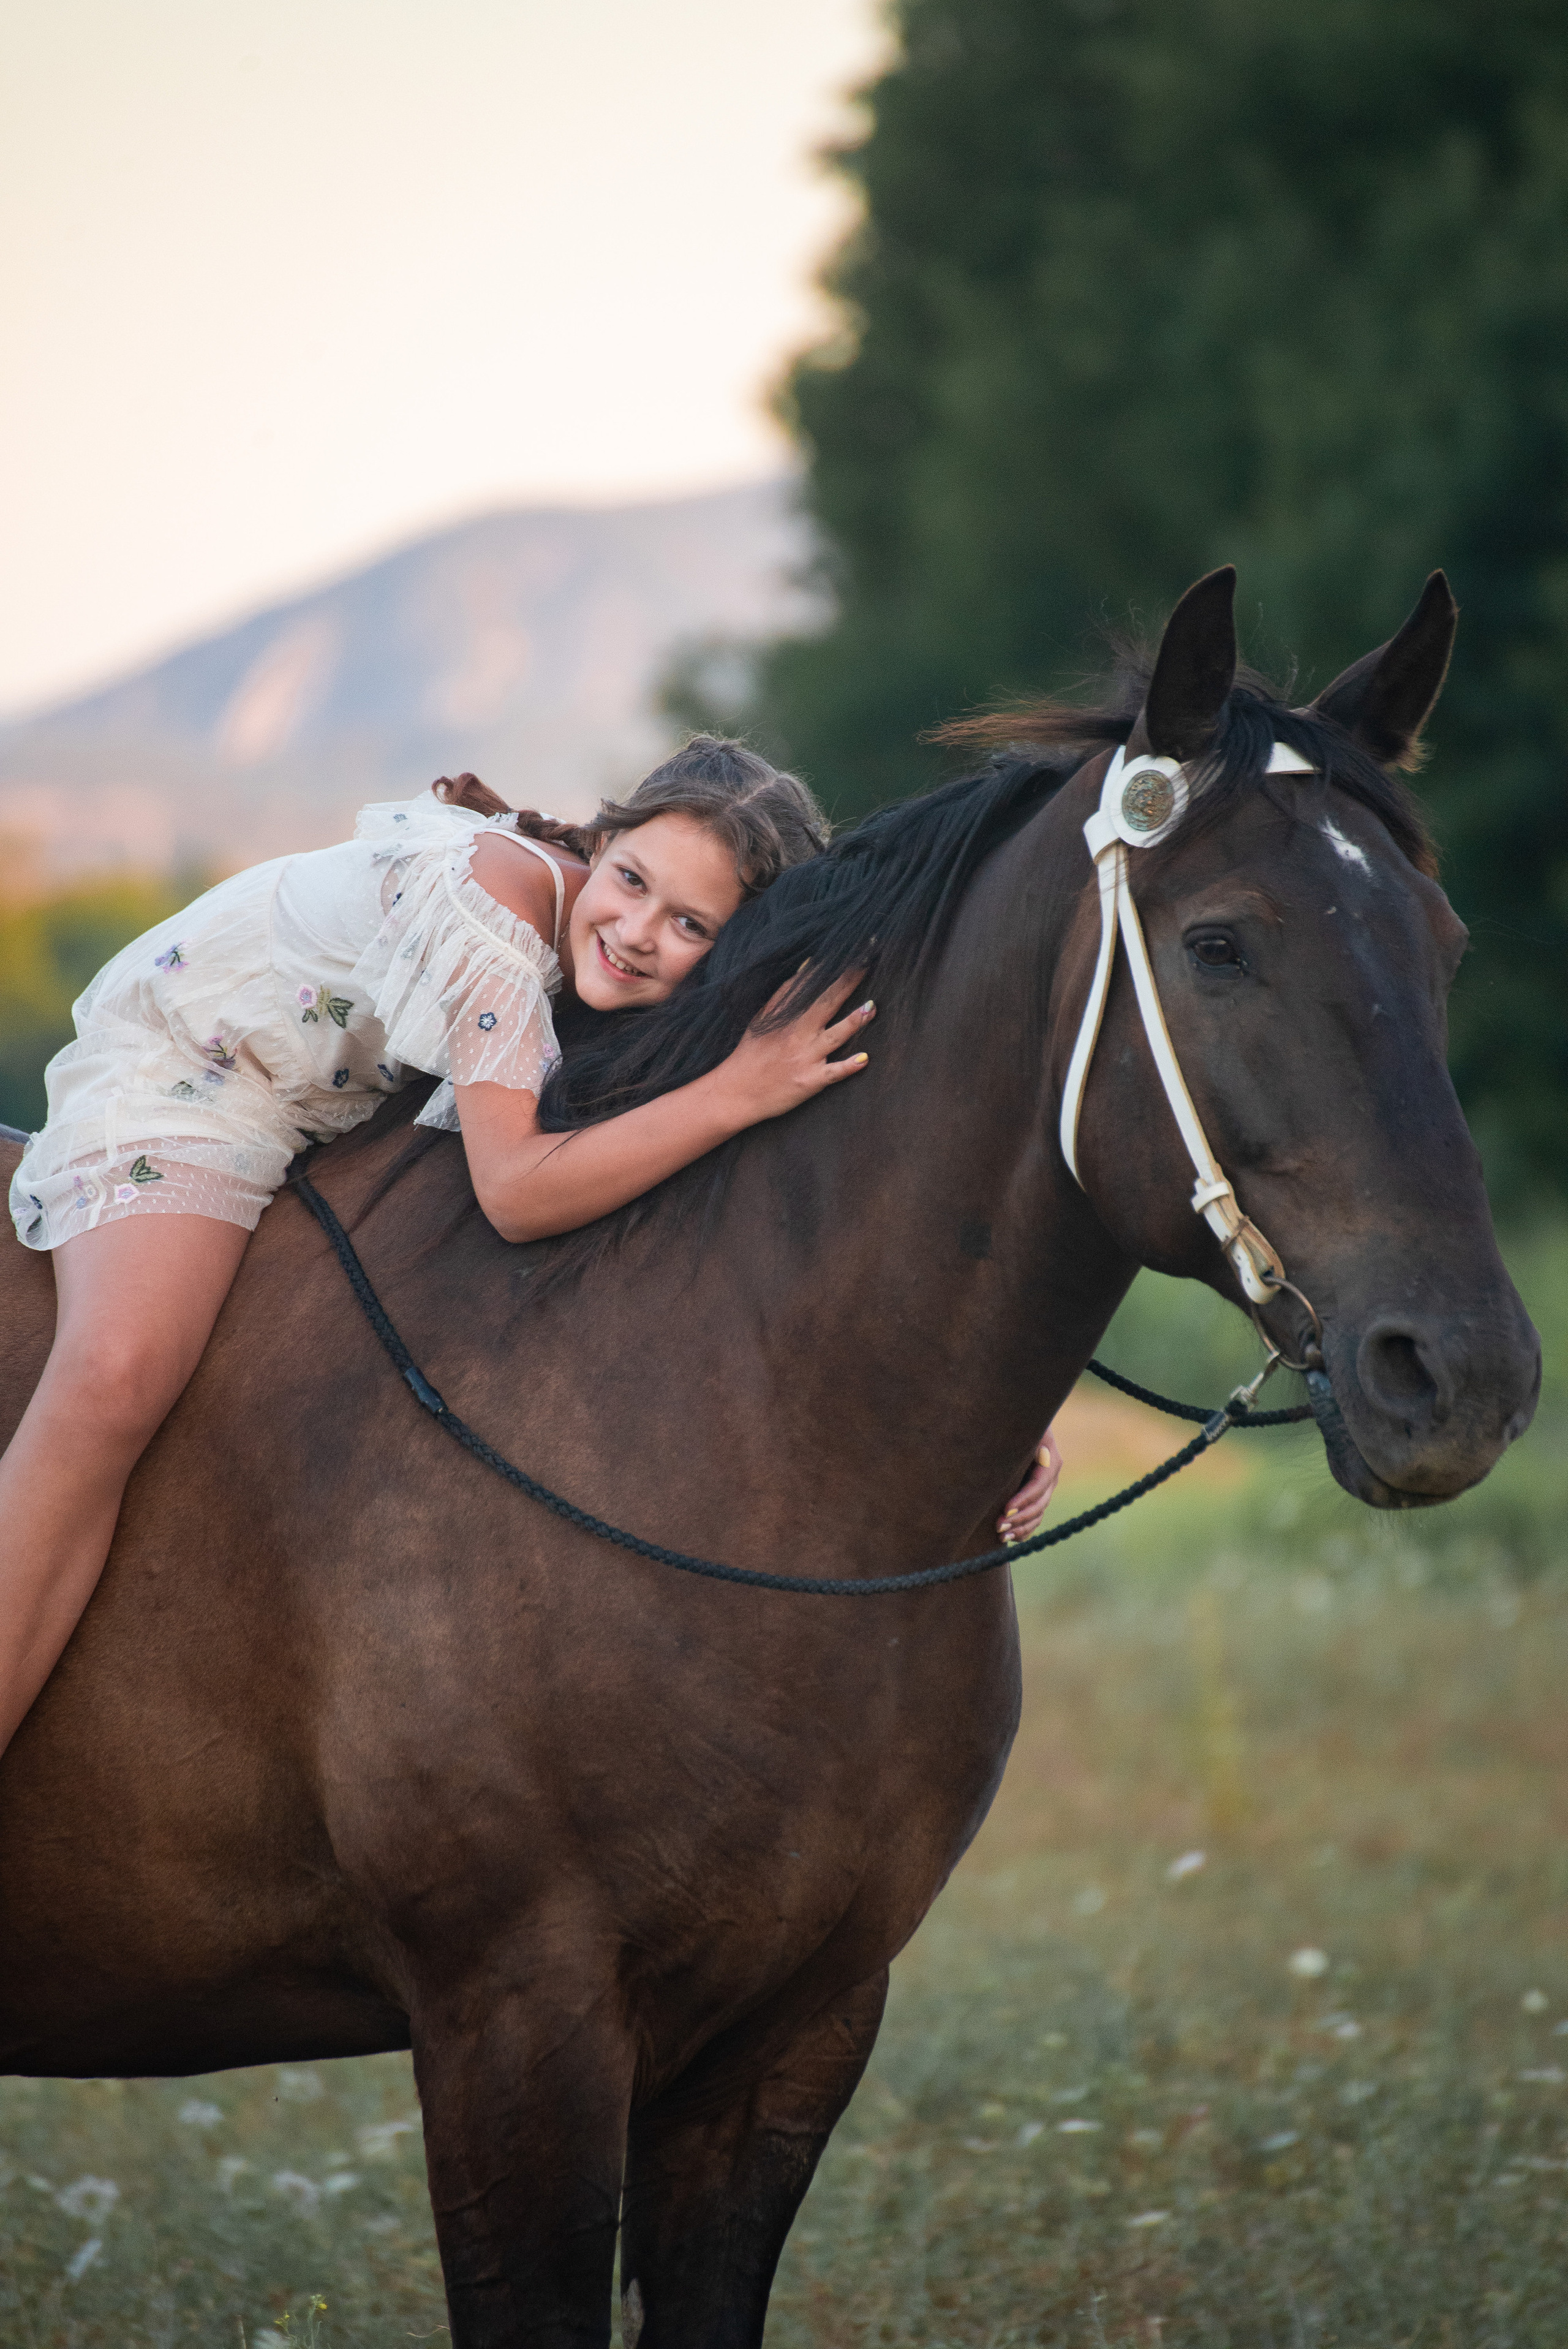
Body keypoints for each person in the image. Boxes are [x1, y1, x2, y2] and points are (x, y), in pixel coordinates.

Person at [0, 735, 1059, 1757]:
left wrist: (1001, 1411)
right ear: (602, 842)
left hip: (323, 1104)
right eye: (632, 880)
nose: (638, 931)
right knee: (118, 1372)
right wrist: (738, 1089)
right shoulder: (495, 912)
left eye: (690, 923)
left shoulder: (613, 962)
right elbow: (513, 1192)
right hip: (199, 1064)